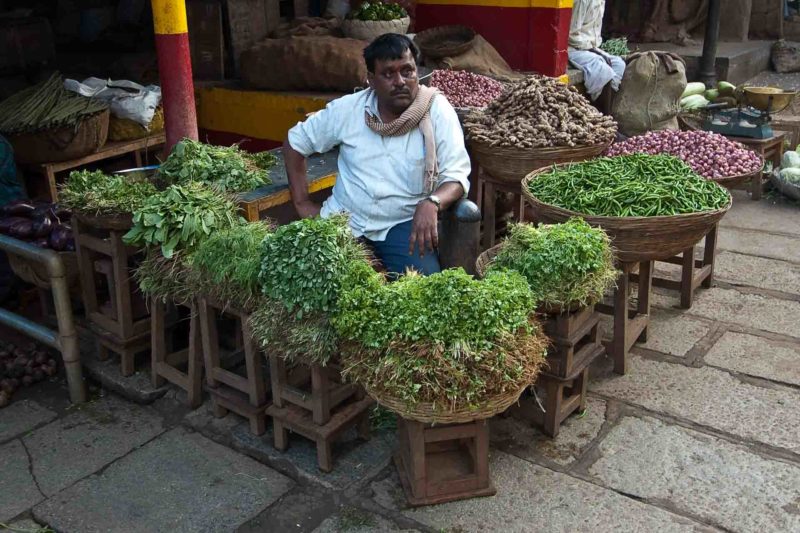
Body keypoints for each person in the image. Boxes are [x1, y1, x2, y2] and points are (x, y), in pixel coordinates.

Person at [283, 33, 471, 277]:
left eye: (407, 71)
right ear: (371, 79)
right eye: (388, 74)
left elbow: (457, 176)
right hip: (344, 220)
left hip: (402, 223)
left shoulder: (436, 110)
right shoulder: (348, 109)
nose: (400, 81)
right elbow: (295, 142)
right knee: (318, 286)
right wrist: (301, 203)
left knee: (426, 290)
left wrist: (432, 202)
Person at [568, 0, 626, 110]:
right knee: (603, 71)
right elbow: (571, 34)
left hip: (589, 48)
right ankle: (603, 115)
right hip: (572, 49)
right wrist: (592, 50)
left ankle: (605, 111)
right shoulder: (582, 1)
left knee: (619, 64)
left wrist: (595, 49)